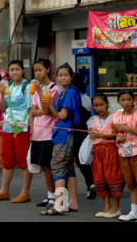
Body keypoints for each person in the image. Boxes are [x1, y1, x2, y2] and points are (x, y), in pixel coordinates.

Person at [0, 60, 33, 203]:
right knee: (7, 159)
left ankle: (25, 192)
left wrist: (31, 129)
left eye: (17, 69)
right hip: (8, 126)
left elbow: (30, 108)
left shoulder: (27, 86)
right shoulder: (9, 86)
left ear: (22, 71)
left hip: (22, 126)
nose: (15, 72)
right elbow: (3, 108)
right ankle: (3, 191)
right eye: (12, 69)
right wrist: (2, 94)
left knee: (23, 160)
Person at [40, 63, 81, 216]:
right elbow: (57, 113)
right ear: (56, 77)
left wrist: (52, 107)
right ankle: (73, 202)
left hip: (65, 134)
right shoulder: (65, 92)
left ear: (71, 77)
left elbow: (62, 115)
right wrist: (49, 104)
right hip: (64, 133)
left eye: (66, 75)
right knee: (69, 169)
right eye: (60, 75)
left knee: (57, 167)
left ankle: (58, 205)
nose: (63, 77)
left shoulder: (69, 92)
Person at [88, 92, 124, 219]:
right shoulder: (92, 120)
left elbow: (116, 135)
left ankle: (116, 207)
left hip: (111, 151)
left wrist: (100, 135)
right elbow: (91, 135)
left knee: (113, 177)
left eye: (102, 105)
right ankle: (106, 207)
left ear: (107, 104)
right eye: (96, 105)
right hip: (98, 151)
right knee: (100, 178)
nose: (99, 108)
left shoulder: (114, 118)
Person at [29, 58, 60, 208]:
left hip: (49, 132)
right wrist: (38, 113)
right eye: (35, 70)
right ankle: (49, 195)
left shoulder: (53, 88)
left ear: (48, 69)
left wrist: (39, 110)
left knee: (48, 165)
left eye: (40, 70)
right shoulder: (37, 87)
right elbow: (33, 110)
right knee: (42, 166)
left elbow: (48, 110)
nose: (37, 73)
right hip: (37, 131)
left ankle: (55, 196)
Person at [113, 90, 137, 221]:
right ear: (118, 101)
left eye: (129, 99)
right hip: (123, 152)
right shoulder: (117, 115)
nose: (126, 102)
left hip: (136, 152)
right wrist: (117, 139)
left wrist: (130, 130)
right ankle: (134, 211)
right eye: (123, 100)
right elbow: (115, 134)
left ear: (133, 100)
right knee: (131, 183)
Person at [72, 72, 96, 199]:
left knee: (72, 160)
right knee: (82, 158)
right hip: (84, 132)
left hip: (73, 132)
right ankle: (90, 182)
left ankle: (63, 192)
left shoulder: (70, 96)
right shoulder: (86, 98)